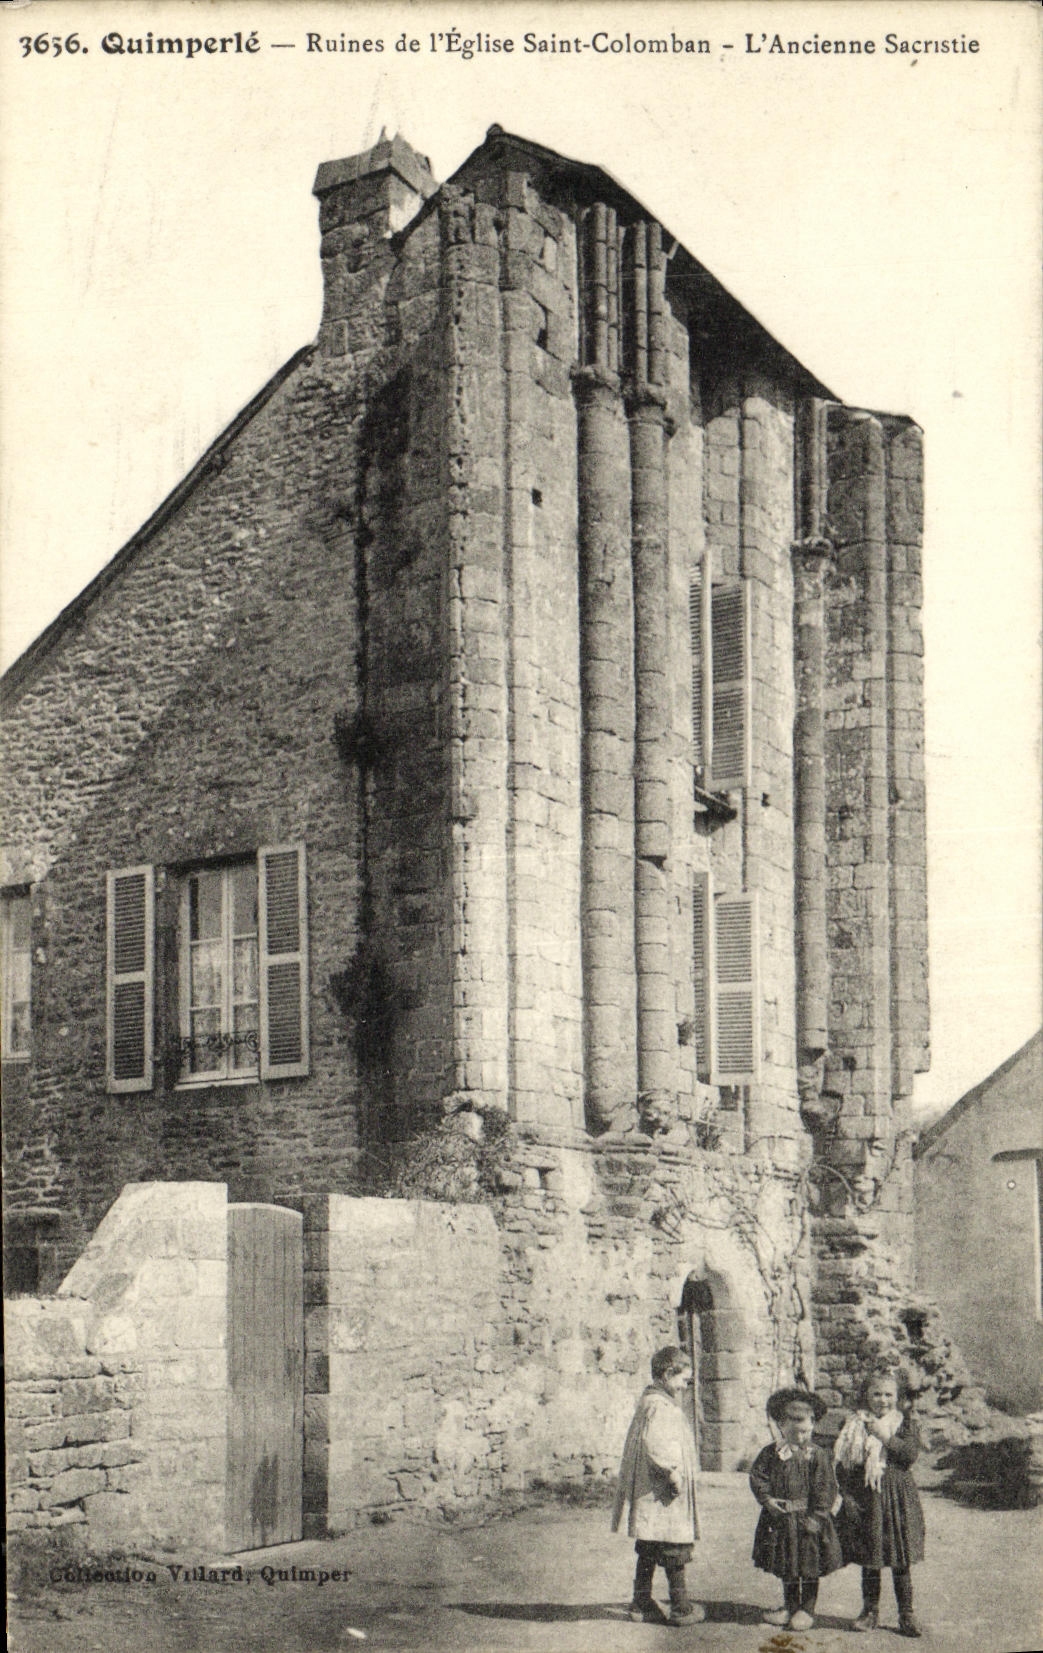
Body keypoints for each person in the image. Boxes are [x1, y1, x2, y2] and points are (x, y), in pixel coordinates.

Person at [611, 1345, 704, 1625]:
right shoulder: (661, 1408)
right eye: (683, 1380)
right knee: (674, 1546)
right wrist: (673, 1475)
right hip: (663, 1491)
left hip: (651, 1491)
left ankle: (641, 1604)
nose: (685, 1386)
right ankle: (681, 1608)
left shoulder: (649, 1402)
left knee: (649, 1544)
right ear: (667, 1374)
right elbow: (656, 1445)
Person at [834, 1367, 926, 1637]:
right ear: (866, 1395)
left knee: (900, 1559)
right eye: (876, 1394)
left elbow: (909, 1455)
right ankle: (870, 1611)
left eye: (888, 1395)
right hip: (869, 1498)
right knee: (871, 1558)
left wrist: (885, 1437)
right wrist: (847, 1495)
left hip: (898, 1497)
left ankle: (906, 1614)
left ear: (897, 1397)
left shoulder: (905, 1423)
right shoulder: (855, 1424)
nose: (882, 1400)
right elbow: (845, 1463)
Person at [749, 1387, 843, 1631]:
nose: (801, 1436)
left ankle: (807, 1610)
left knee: (810, 1566)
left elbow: (826, 1488)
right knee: (788, 1564)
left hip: (809, 1520)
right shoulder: (772, 1453)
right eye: (795, 1431)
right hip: (782, 1519)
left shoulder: (817, 1455)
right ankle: (790, 1606)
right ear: (782, 1425)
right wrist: (767, 1500)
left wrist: (818, 1517)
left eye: (806, 1431)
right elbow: (758, 1477)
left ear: (813, 1425)